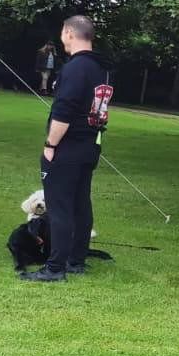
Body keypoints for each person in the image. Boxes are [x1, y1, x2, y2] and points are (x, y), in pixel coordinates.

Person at [21, 15, 113, 283]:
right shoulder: (102, 68)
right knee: (80, 204)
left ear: (69, 33)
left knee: (60, 207)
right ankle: (76, 260)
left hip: (69, 147)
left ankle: (55, 268)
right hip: (89, 146)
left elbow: (64, 110)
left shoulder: (76, 68)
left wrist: (51, 144)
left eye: (63, 32)